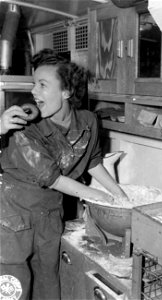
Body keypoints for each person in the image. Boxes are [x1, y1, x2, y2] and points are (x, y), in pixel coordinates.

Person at [0, 48, 128, 300]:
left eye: (42, 85)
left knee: (48, 281)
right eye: (33, 84)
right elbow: (53, 178)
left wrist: (120, 196)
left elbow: (92, 162)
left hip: (49, 214)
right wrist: (99, 198)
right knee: (12, 286)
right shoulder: (24, 129)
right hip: (11, 215)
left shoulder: (89, 121)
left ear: (67, 91)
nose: (34, 92)